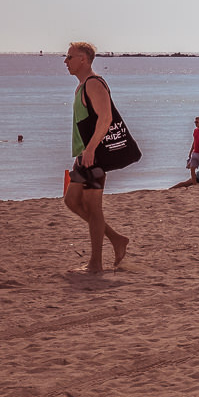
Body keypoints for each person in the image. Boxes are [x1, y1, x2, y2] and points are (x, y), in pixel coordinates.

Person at [64, 42, 128, 274]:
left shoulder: (93, 84)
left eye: (69, 57)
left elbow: (106, 118)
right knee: (71, 201)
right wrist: (84, 151)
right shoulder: (82, 85)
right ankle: (116, 239)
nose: (65, 61)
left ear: (83, 59)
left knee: (93, 208)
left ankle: (95, 264)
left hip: (94, 156)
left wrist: (91, 149)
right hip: (85, 155)